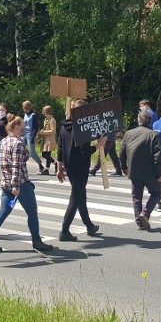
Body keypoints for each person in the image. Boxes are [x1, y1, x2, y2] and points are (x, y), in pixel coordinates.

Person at [0, 116, 53, 253]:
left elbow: (5, 163)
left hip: (7, 185)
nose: (25, 128)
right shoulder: (18, 144)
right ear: (16, 127)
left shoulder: (3, 141)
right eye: (23, 126)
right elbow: (16, 166)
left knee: (4, 212)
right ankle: (37, 242)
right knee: (32, 212)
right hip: (20, 186)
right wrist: (16, 187)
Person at [56, 99, 104, 241]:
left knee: (81, 195)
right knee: (76, 197)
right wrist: (98, 145)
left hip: (69, 166)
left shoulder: (64, 126)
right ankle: (64, 231)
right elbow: (85, 151)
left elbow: (59, 149)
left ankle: (89, 225)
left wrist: (59, 169)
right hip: (81, 167)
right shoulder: (82, 127)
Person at [120, 111, 161, 230]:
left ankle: (140, 222)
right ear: (150, 122)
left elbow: (122, 152)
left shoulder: (129, 133)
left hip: (134, 170)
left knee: (136, 197)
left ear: (139, 120)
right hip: (150, 171)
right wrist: (160, 173)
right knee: (156, 193)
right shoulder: (153, 135)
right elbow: (157, 156)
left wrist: (123, 167)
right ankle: (144, 214)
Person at [22, 101, 46, 173]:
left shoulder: (33, 115)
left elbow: (35, 127)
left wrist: (33, 137)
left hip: (30, 135)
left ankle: (40, 165)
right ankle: (23, 167)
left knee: (32, 152)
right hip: (24, 134)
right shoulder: (25, 114)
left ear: (27, 107)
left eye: (24, 107)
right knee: (20, 150)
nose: (24, 109)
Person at [36, 105, 57, 174]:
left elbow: (53, 131)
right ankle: (55, 163)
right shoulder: (46, 119)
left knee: (47, 154)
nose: (43, 113)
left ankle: (47, 169)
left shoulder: (52, 120)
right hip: (46, 139)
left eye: (44, 111)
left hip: (50, 139)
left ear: (47, 112)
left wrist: (43, 132)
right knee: (44, 154)